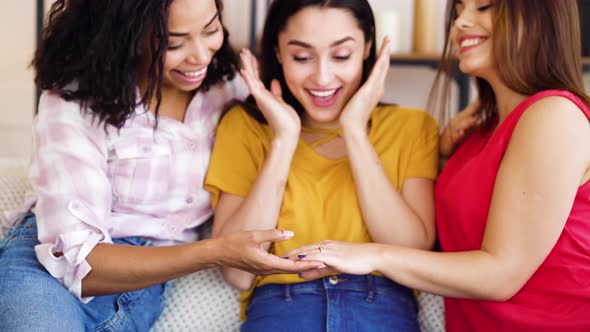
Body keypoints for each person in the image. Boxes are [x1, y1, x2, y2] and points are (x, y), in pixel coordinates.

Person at [0, 0, 321, 330]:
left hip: (144, 282)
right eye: (174, 43)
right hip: (52, 263)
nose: (200, 56)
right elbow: (79, 263)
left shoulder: (231, 87)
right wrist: (214, 251)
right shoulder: (71, 105)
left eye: (211, 29)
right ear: (123, 37)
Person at [289, 0, 590, 331]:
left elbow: (501, 275)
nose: (460, 23)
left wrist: (373, 255)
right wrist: (445, 153)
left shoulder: (555, 116)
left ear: (540, 17)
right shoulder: (480, 133)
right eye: (459, 10)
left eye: (484, 6)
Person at [204, 0, 439, 331]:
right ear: (278, 51)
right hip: (281, 307)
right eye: (301, 57)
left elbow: (411, 255)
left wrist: (355, 130)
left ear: (367, 47)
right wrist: (284, 140)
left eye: (341, 55)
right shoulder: (244, 127)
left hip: (382, 304)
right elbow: (237, 273)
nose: (322, 76)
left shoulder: (411, 127)